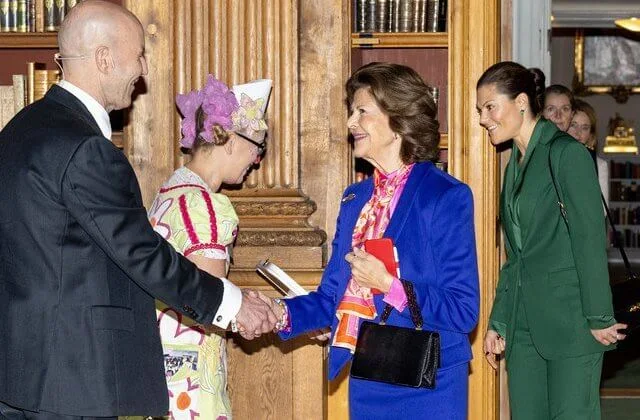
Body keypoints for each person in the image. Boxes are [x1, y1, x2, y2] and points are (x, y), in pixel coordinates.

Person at [0, 1, 276, 419]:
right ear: (104, 59)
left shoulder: (18, 130)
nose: (144, 70)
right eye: (139, 55)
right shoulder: (86, 147)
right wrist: (233, 303)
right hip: (72, 382)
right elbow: (141, 253)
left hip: (17, 376)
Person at [268, 62, 480, 419]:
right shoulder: (354, 200)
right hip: (370, 377)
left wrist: (387, 285)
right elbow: (331, 296)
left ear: (397, 118)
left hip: (430, 383)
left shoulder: (445, 196)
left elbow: (463, 311)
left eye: (361, 111)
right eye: (352, 113)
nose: (351, 123)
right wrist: (277, 313)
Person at [477, 61, 627, 419]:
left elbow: (589, 240)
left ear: (522, 102)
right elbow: (517, 255)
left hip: (573, 319)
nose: (483, 118)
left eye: (489, 107)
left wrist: (599, 315)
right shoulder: (514, 164)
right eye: (480, 110)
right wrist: (499, 320)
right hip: (523, 323)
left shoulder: (567, 154)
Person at [148, 75, 272, 420]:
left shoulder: (170, 193)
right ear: (229, 140)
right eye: (256, 146)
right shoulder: (205, 206)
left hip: (158, 374)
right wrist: (272, 313)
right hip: (191, 385)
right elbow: (212, 297)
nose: (257, 160)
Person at [567, 99, 609, 204]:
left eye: (585, 128)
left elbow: (602, 210)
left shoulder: (599, 165)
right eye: (573, 125)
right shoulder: (549, 159)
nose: (578, 133)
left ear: (590, 135)